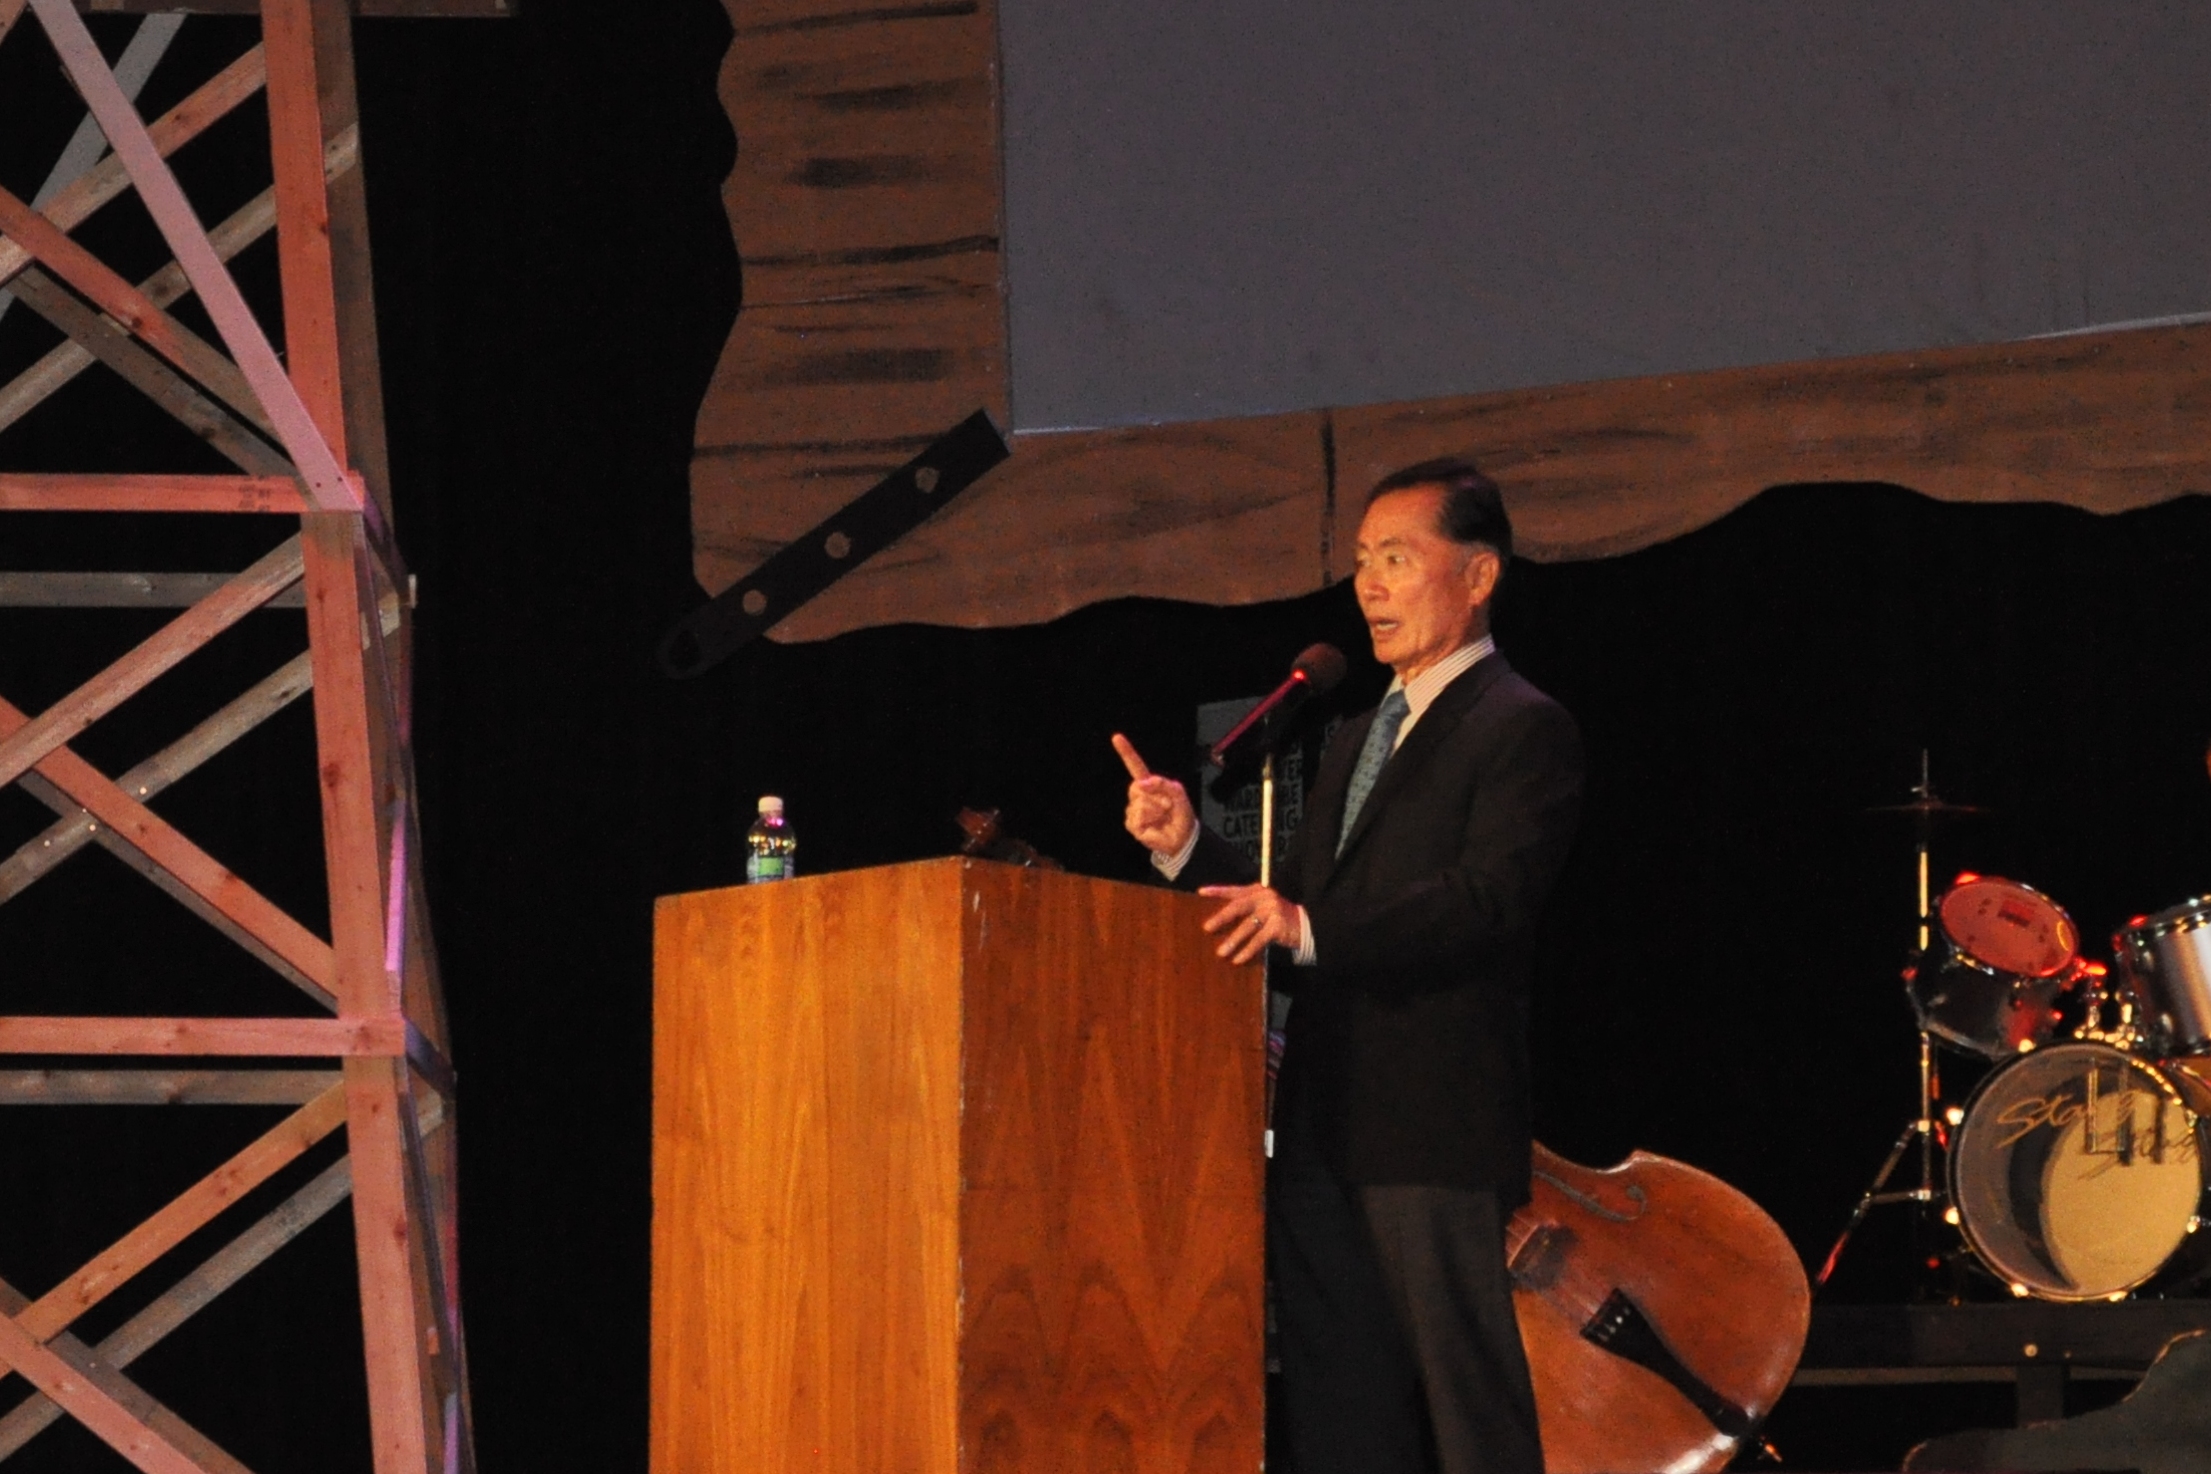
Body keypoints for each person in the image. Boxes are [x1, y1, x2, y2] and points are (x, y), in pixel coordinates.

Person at [1111, 458, 1584, 1474]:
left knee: (1470, 1414)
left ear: (1478, 575)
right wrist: (1188, 848)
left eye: (1397, 558)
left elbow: (1485, 900)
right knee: (1340, 1415)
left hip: (1429, 1130)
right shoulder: (1358, 735)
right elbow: (1296, 910)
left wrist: (1306, 925)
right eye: (1363, 560)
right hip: (1322, 1128)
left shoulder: (1521, 725)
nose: (1368, 584)